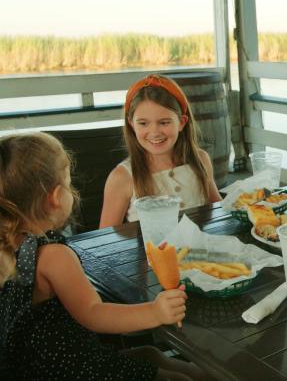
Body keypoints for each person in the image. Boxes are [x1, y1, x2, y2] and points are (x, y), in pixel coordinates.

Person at [0, 132, 203, 380]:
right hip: (67, 370)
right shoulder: (53, 256)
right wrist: (155, 312)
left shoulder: (9, 246)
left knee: (150, 354)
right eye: (68, 183)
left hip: (32, 365)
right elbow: (95, 314)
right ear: (54, 197)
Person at [100, 74, 222, 228]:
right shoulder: (122, 177)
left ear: (182, 123)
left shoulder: (201, 159)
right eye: (143, 123)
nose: (155, 132)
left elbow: (220, 210)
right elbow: (104, 240)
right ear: (131, 124)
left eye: (164, 122)